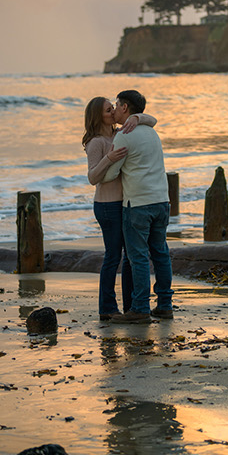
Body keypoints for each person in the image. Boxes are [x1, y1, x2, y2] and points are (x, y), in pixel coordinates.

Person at [93, 89, 174, 323]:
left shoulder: (124, 136)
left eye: (117, 105)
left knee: (138, 258)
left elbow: (110, 175)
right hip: (162, 201)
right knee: (160, 254)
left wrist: (103, 168)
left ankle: (139, 308)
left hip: (137, 204)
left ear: (125, 108)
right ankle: (165, 305)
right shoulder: (151, 132)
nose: (115, 109)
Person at [82, 97, 155, 323]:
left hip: (125, 204)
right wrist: (108, 158)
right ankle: (107, 308)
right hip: (106, 206)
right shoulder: (96, 143)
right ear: (98, 116)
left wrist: (136, 117)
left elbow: (152, 120)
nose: (113, 111)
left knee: (130, 257)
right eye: (108, 109)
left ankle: (132, 307)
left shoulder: (120, 133)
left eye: (113, 107)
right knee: (113, 257)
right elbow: (93, 177)